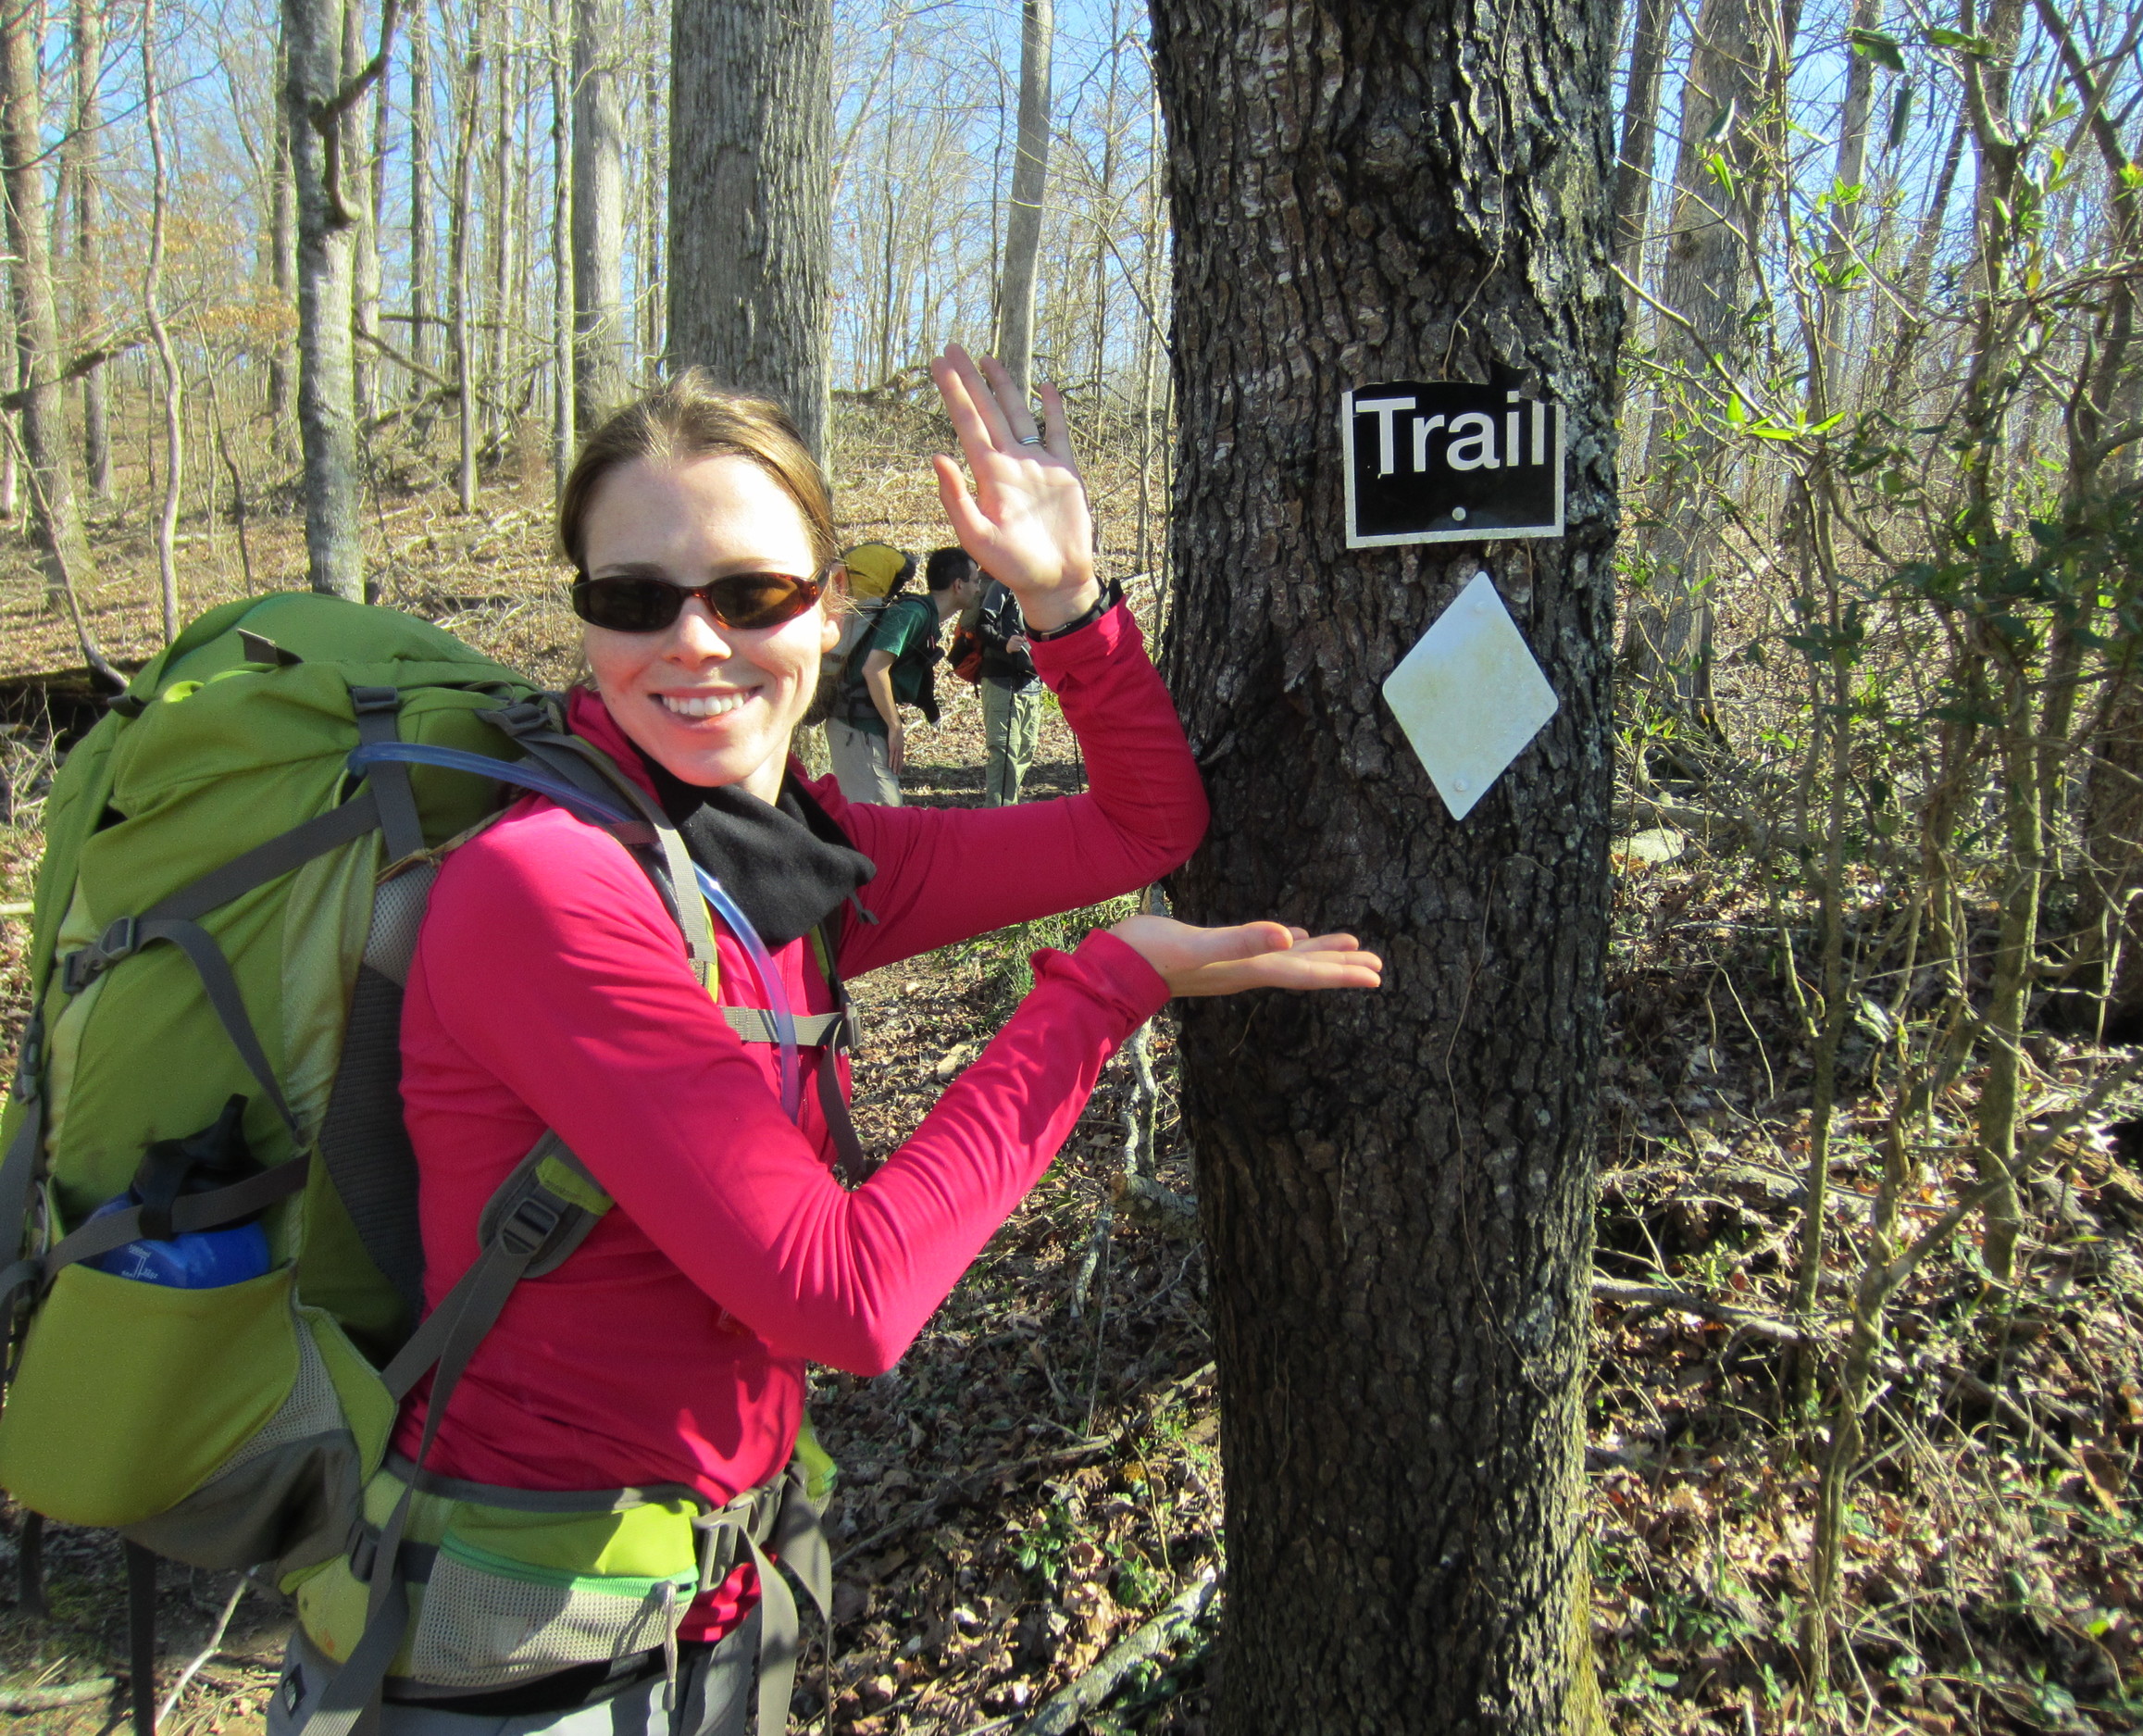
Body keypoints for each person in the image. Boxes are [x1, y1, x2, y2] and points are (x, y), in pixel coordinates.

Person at [265, 346, 1380, 1736]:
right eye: (633, 598)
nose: (695, 640)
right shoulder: (547, 887)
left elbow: (1146, 824)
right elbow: (845, 1294)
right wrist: (1101, 991)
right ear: (584, 618)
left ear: (828, 606)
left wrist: (1060, 596)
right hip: (517, 1644)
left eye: (752, 592)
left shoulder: (784, 855)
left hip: (720, 1599)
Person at [826, 539, 978, 805]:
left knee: (879, 818)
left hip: (865, 728)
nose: (978, 589)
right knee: (880, 817)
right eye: (975, 581)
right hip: (857, 729)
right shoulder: (913, 614)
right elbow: (874, 669)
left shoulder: (923, 615)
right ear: (958, 585)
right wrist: (895, 726)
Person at [970, 570, 1043, 805]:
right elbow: (982, 626)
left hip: (1033, 682)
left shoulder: (1046, 591)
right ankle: (998, 818)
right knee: (1004, 755)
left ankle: (1007, 809)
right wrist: (1005, 643)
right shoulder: (1004, 584)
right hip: (1002, 680)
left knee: (1026, 750)